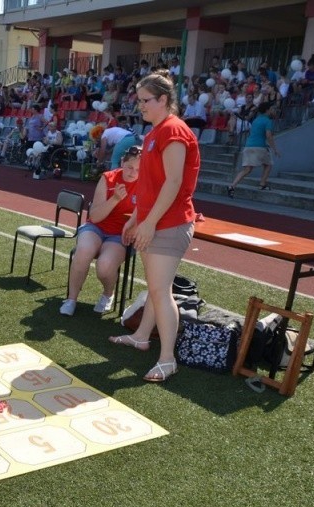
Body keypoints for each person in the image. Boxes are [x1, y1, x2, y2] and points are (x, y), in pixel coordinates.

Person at [110, 71, 200, 383]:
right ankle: (141, 337)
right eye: (139, 101)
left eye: (145, 100)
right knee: (156, 288)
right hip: (154, 222)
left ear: (163, 100)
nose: (141, 106)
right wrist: (136, 219)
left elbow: (174, 182)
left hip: (169, 224)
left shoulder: (173, 131)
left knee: (161, 292)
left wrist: (147, 223)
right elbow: (150, 186)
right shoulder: (155, 133)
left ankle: (167, 359)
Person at [60, 146, 141, 316]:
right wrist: (115, 199)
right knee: (83, 251)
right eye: (129, 167)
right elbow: (95, 216)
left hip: (120, 235)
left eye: (138, 169)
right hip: (96, 227)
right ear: (122, 163)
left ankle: (107, 294)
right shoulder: (109, 178)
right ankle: (71, 299)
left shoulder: (146, 185)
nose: (133, 173)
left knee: (104, 266)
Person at [227, 101, 279, 196]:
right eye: (272, 109)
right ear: (267, 110)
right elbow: (268, 135)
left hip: (248, 146)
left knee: (247, 169)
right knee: (268, 164)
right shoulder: (267, 121)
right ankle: (262, 184)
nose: (274, 111)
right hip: (260, 147)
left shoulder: (256, 120)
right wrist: (275, 149)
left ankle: (232, 186)